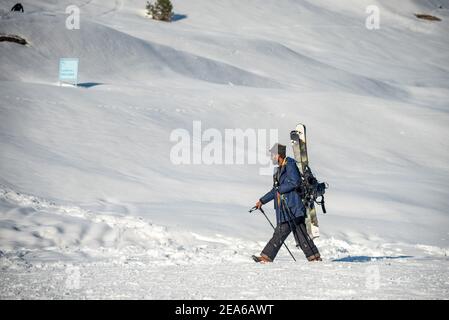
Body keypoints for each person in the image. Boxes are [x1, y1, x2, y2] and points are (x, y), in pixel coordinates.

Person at [253, 143, 321, 263]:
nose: (271, 157)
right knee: (301, 234)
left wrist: (280, 189)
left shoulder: (289, 164)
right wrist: (262, 201)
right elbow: (275, 190)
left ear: (278, 155)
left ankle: (266, 257)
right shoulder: (280, 169)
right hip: (290, 208)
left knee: (280, 232)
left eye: (272, 155)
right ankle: (314, 257)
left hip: (292, 207)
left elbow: (295, 182)